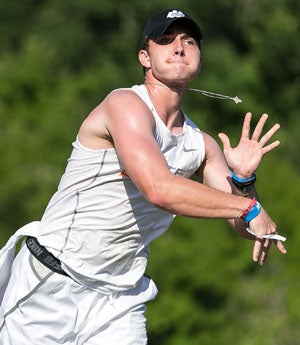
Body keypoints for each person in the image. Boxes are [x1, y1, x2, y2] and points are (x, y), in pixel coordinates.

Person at [0, 8, 286, 345]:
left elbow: (239, 225)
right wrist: (250, 208)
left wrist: (242, 182)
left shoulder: (202, 145)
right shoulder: (125, 105)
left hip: (119, 301)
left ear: (199, 57)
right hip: (53, 281)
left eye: (188, 41)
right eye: (165, 41)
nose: (179, 48)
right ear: (145, 58)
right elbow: (159, 190)